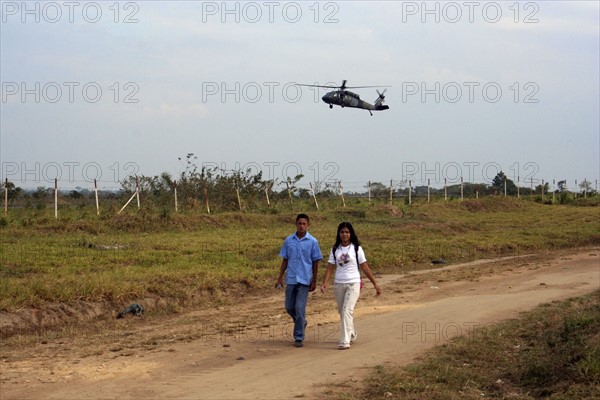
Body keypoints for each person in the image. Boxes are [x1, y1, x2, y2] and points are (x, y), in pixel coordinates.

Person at [321, 221, 381, 350]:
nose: (344, 234)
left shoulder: (357, 248)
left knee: (347, 310)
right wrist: (325, 282)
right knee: (342, 312)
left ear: (351, 233)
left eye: (347, 232)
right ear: (338, 233)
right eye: (342, 232)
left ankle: (345, 340)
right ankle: (352, 333)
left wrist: (375, 283)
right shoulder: (335, 249)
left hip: (353, 283)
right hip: (339, 284)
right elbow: (330, 267)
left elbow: (364, 266)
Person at [276, 213, 323, 348]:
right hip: (291, 278)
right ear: (296, 224)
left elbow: (315, 262)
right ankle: (301, 322)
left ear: (308, 225)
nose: (301, 226)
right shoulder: (289, 240)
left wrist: (314, 281)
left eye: (304, 224)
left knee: (299, 307)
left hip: (304, 279)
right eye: (299, 223)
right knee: (289, 306)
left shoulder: (313, 242)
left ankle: (299, 336)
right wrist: (279, 277)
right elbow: (285, 259)